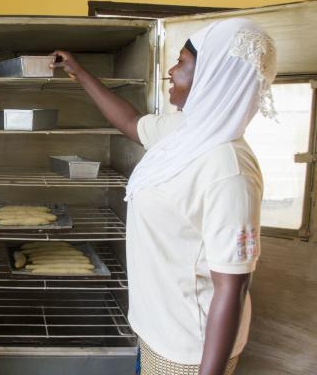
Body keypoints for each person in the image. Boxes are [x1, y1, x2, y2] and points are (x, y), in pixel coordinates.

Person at [51, 18, 276, 375]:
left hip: (189, 351)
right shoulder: (188, 133)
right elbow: (130, 122)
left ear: (214, 75)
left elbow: (233, 286)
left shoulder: (227, 168)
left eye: (183, 63)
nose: (170, 71)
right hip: (156, 330)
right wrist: (79, 72)